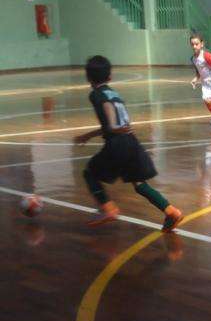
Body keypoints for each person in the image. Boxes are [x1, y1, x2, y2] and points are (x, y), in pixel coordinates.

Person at [73, 55, 183, 230]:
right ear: (110, 77)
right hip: (131, 142)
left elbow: (110, 124)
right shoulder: (114, 93)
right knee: (139, 184)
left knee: (89, 173)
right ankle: (171, 211)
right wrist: (89, 135)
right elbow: (116, 123)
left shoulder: (96, 95)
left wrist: (111, 130)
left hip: (117, 144)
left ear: (88, 78)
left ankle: (108, 208)